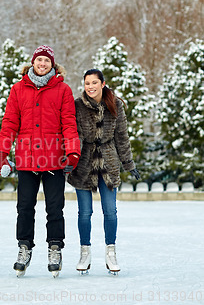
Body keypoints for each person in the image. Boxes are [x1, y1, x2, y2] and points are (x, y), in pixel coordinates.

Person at [0, 45, 81, 278]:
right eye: (39, 60)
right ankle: (24, 247)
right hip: (26, 158)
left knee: (54, 208)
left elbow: (69, 124)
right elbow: (9, 123)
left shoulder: (63, 90)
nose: (42, 64)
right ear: (33, 63)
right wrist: (1, 153)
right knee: (24, 207)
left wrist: (72, 153)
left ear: (53, 65)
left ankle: (55, 248)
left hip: (53, 159)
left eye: (47, 61)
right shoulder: (18, 89)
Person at [68, 68, 140, 275]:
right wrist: (71, 160)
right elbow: (75, 135)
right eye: (87, 83)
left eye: (94, 82)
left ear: (102, 83)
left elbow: (122, 137)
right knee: (85, 213)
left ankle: (111, 251)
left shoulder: (115, 104)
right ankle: (85, 251)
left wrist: (129, 164)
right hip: (84, 163)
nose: (90, 87)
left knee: (110, 211)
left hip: (108, 162)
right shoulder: (77, 105)